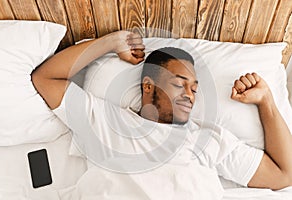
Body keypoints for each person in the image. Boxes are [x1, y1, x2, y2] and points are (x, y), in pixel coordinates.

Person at [32, 31, 292, 191]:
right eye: (179, 84)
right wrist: (110, 42)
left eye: (195, 88)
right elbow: (45, 79)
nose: (189, 95)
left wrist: (266, 101)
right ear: (148, 86)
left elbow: (284, 174)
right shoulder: (106, 121)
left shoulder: (209, 138)